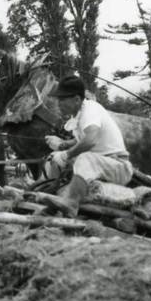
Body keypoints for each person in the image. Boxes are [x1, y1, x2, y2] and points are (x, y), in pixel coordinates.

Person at [42, 75, 133, 217]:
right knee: (53, 159)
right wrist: (61, 145)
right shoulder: (78, 115)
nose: (59, 104)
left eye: (62, 100)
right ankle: (50, 197)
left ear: (77, 99)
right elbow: (80, 140)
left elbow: (90, 140)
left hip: (118, 166)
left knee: (84, 159)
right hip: (102, 164)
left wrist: (66, 154)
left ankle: (70, 204)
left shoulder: (90, 110)